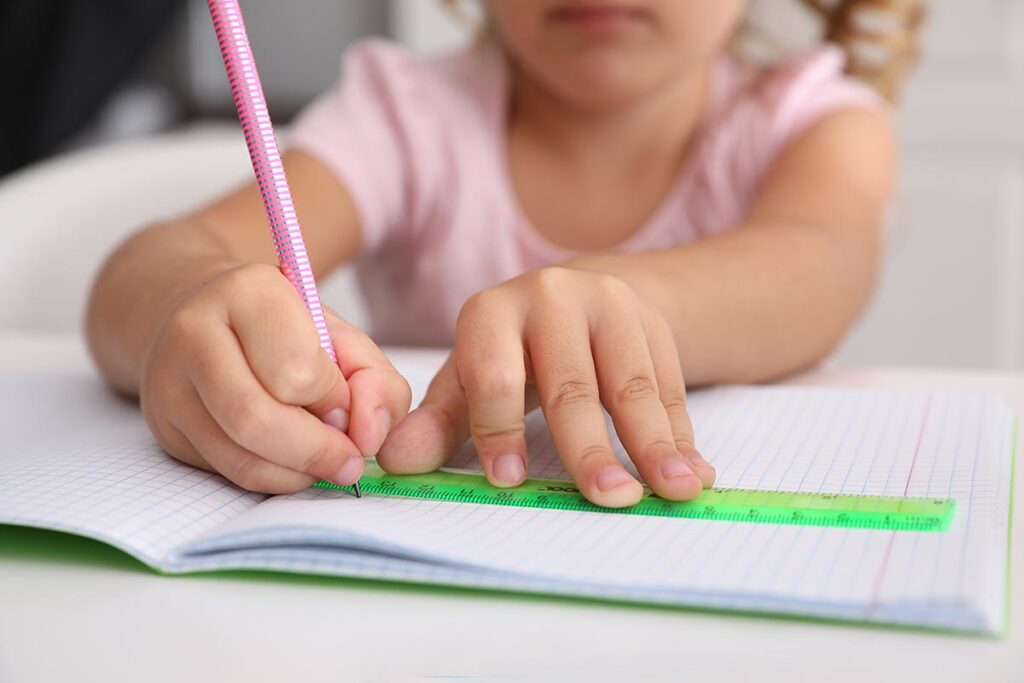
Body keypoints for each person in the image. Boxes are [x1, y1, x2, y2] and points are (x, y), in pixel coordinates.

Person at [86, 0, 922, 508]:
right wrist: (182, 315)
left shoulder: (812, 122)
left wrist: (622, 296)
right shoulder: (408, 117)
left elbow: (822, 263)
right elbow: (146, 266)